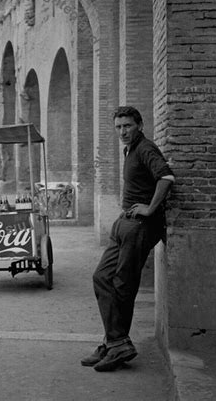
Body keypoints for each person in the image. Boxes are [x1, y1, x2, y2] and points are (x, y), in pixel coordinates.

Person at [81, 106, 174, 372]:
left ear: (140, 125)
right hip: (124, 223)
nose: (123, 131)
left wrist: (150, 208)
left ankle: (117, 344)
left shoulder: (145, 148)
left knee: (123, 284)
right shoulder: (129, 150)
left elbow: (166, 177)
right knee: (101, 277)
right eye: (119, 127)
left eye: (128, 126)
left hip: (140, 226)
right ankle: (113, 341)